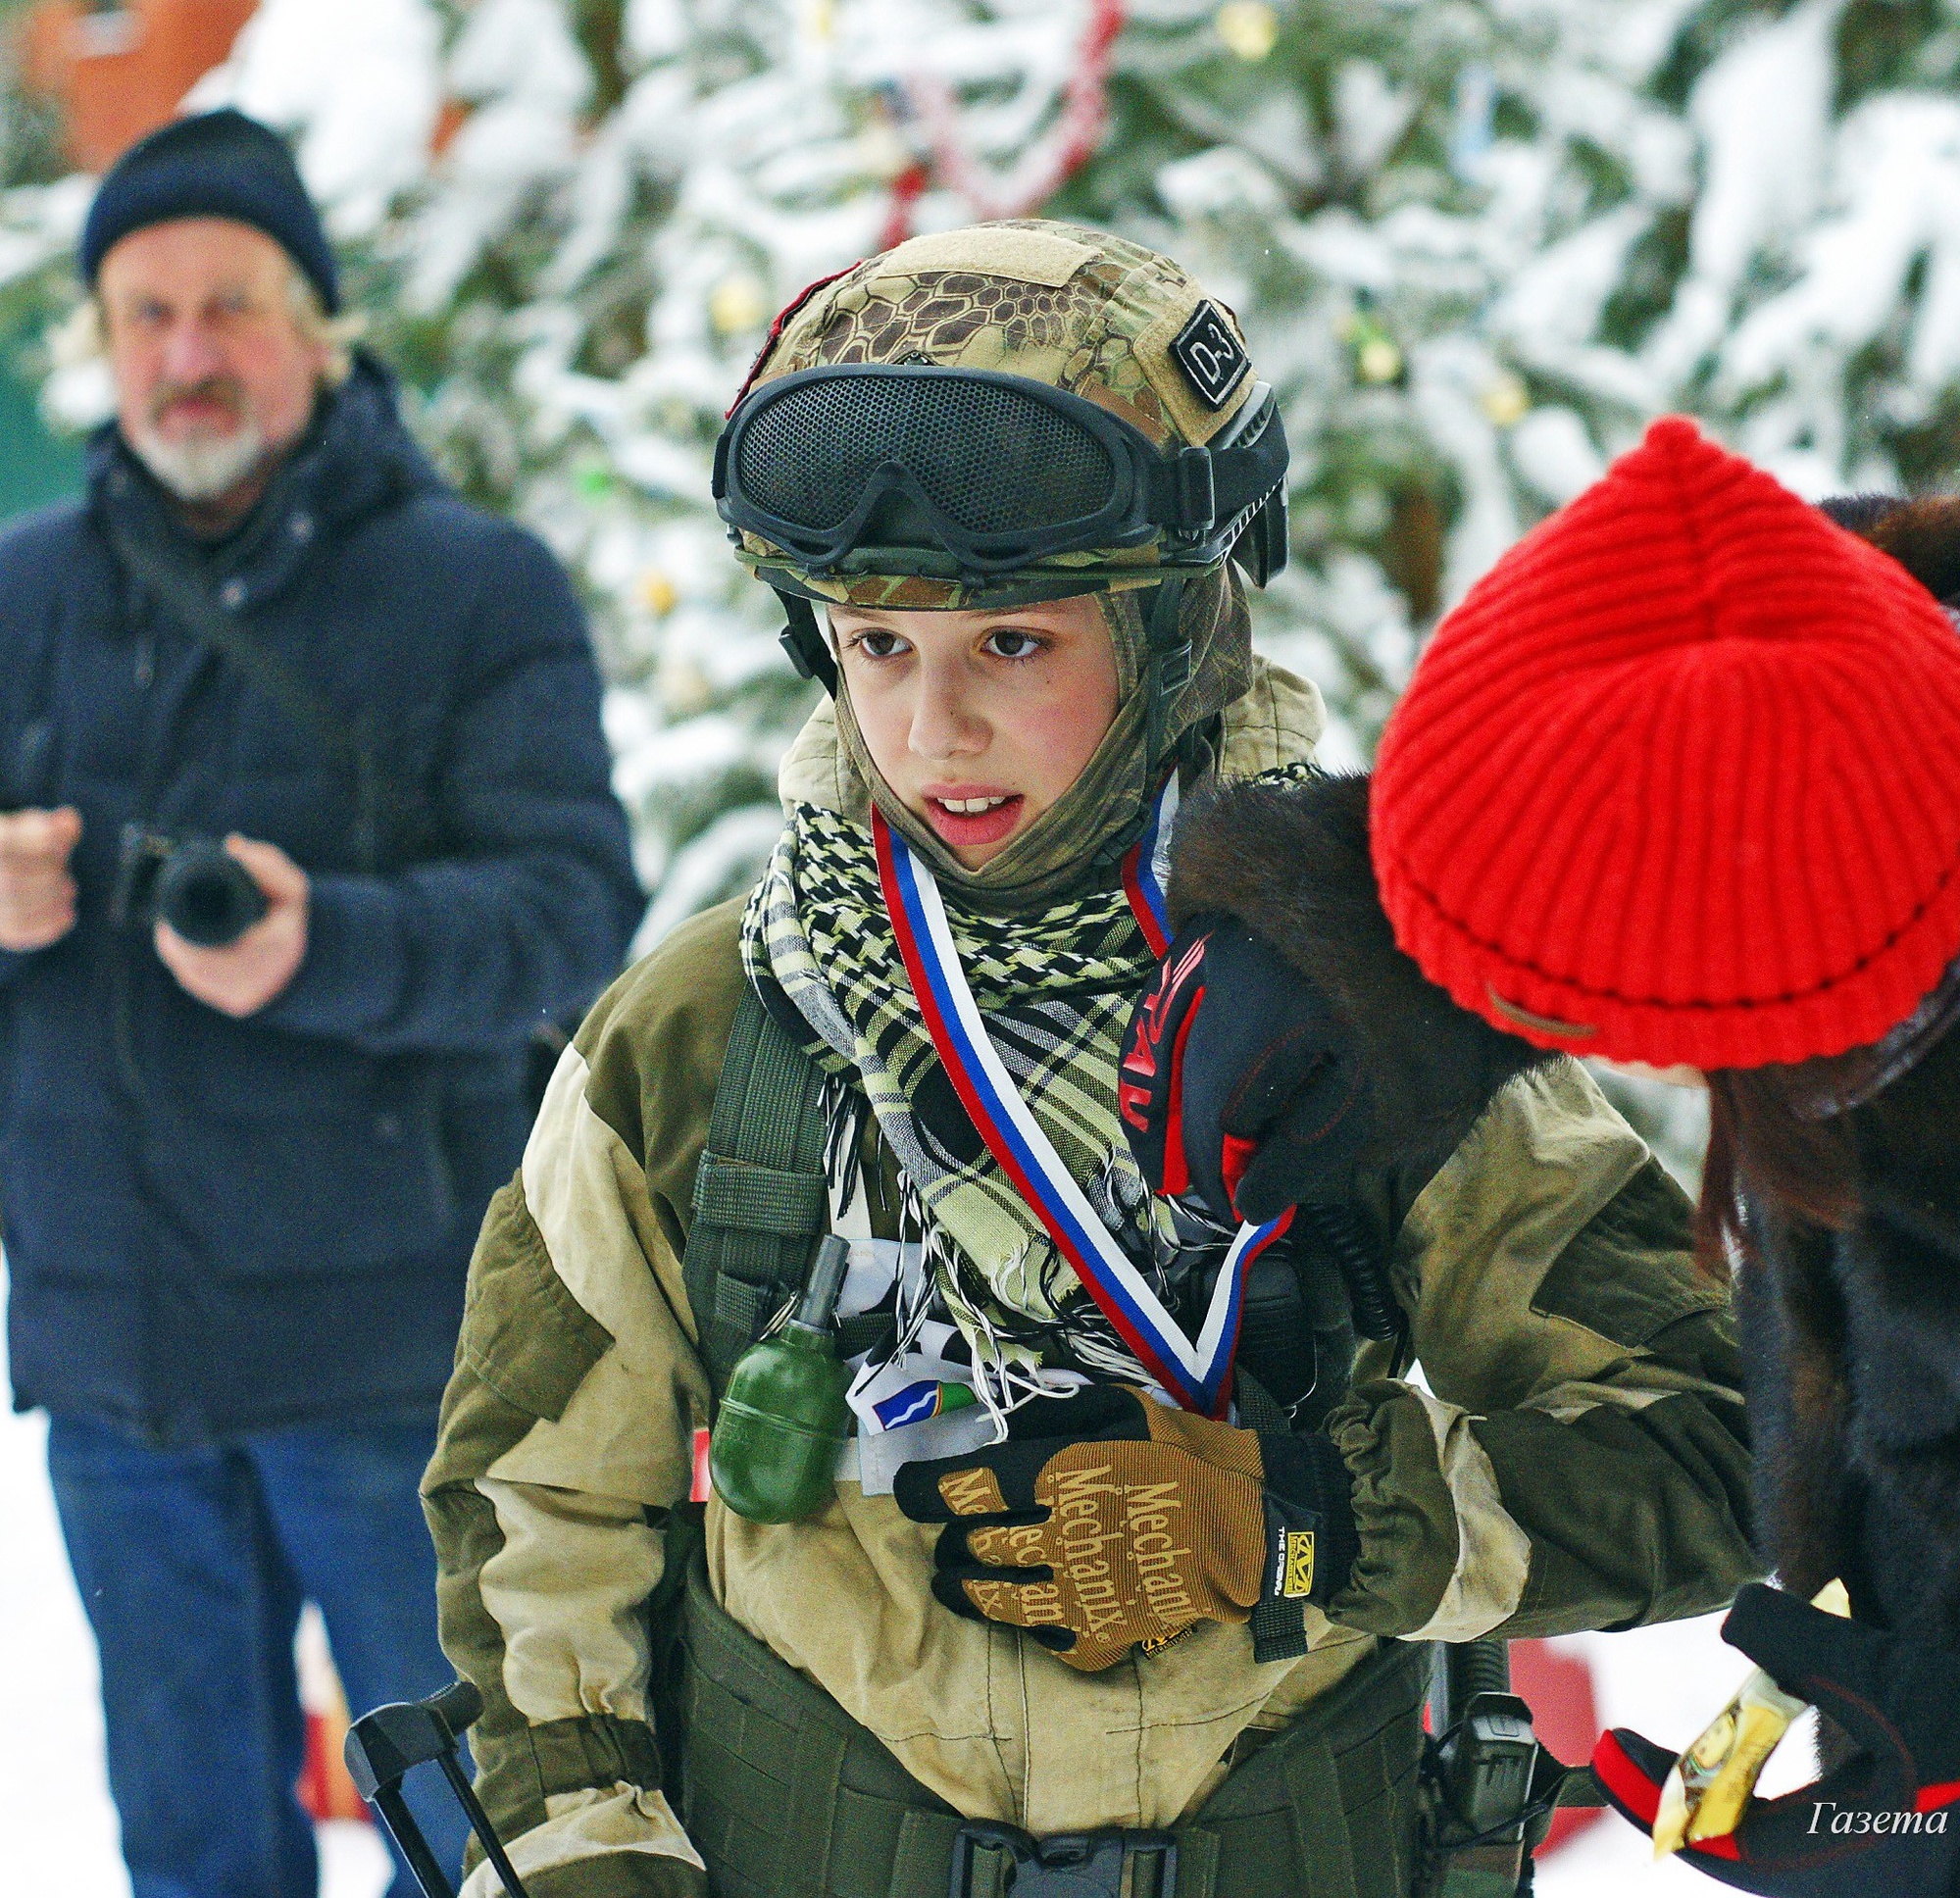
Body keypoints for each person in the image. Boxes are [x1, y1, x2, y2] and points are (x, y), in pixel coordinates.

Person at [421, 220, 1760, 1898]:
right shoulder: (705, 1037)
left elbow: (1719, 1436)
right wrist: (580, 1857)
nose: (930, 728)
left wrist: (1307, 1521)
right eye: (875, 645)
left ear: (1176, 637)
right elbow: (533, 1506)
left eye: (1015, 645)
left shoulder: (1363, 1018)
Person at [1126, 416, 1960, 1897]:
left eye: (1580, 1004)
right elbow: (1652, 765)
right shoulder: (1903, 729)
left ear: (1801, 1022)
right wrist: (1373, 936)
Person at [0, 109, 642, 1898]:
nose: (185, 354)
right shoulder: (17, 595)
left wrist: (326, 947)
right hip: (114, 1362)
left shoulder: (472, 587)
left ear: (317, 330)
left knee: (482, 1845)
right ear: (98, 343)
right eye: (144, 314)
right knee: (192, 1852)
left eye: (229, 306)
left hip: (396, 1371)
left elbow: (575, 912)